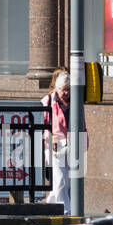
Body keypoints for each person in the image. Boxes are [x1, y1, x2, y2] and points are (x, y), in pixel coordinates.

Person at [41, 69, 73, 210]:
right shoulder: (48, 101)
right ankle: (65, 210)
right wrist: (52, 139)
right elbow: (43, 124)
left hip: (73, 143)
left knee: (71, 180)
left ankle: (52, 204)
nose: (66, 93)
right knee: (60, 178)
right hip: (56, 144)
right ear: (57, 88)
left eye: (68, 89)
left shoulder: (75, 102)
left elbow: (82, 124)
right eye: (63, 90)